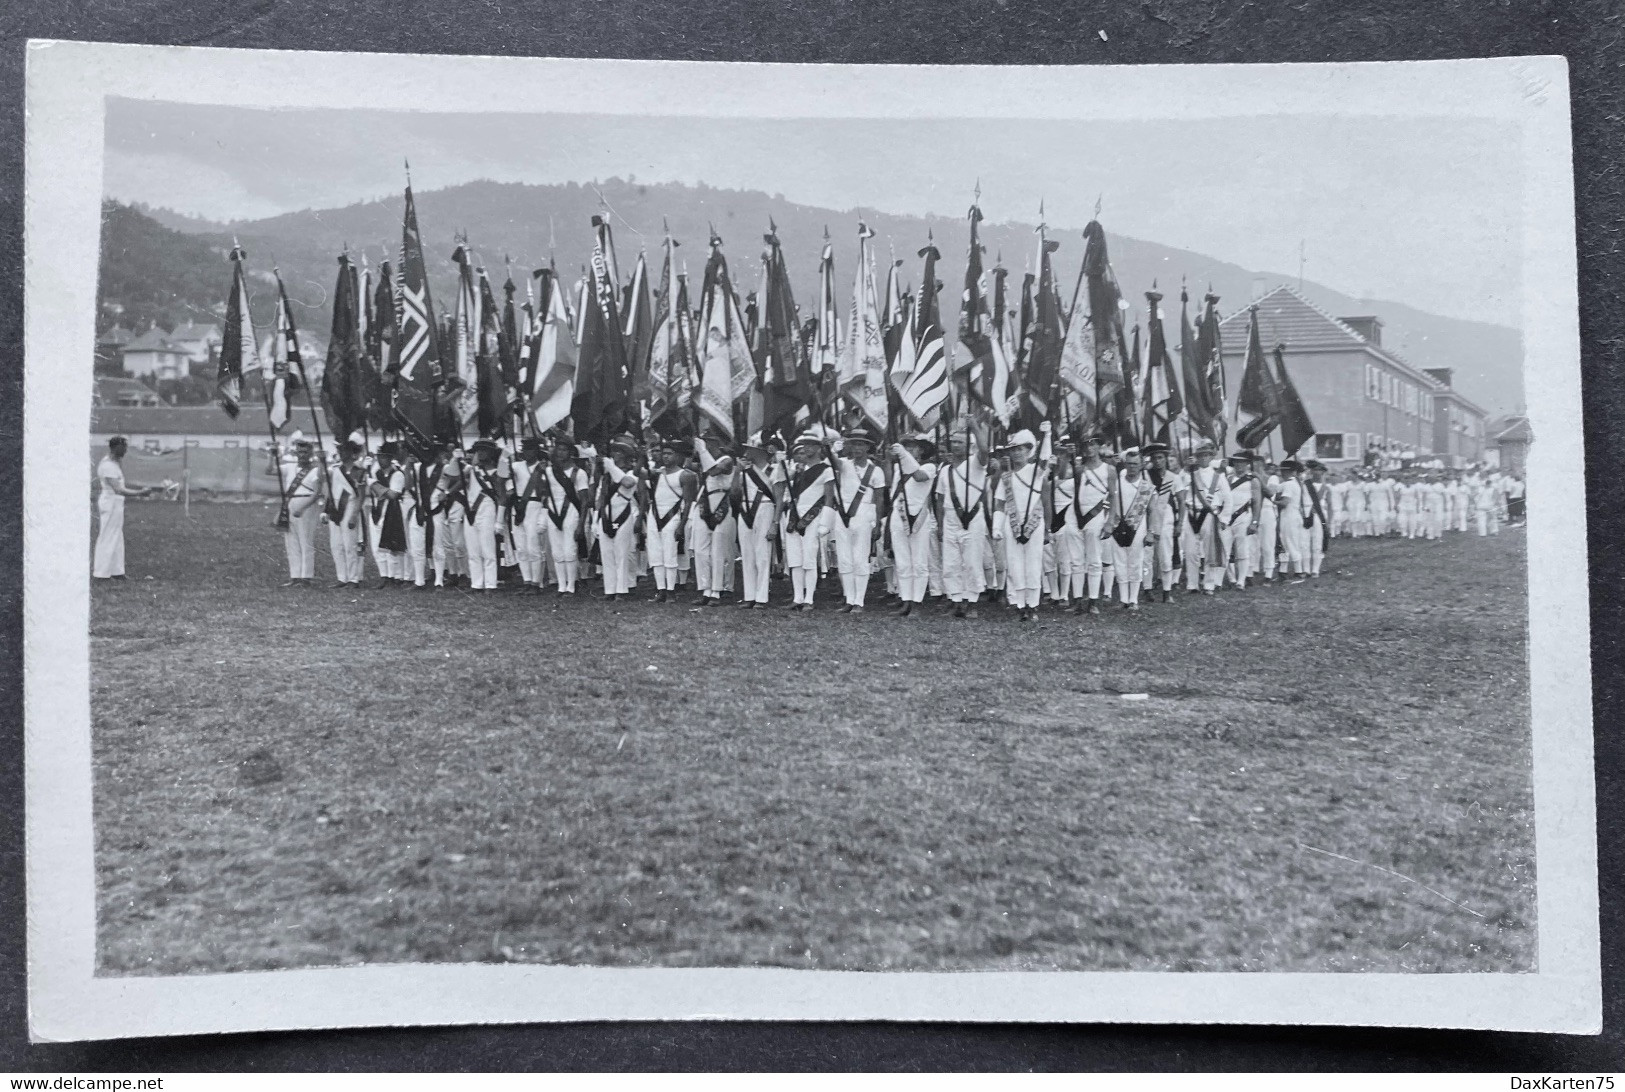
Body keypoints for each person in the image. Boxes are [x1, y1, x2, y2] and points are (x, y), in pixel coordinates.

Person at [935, 431, 992, 619]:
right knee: (951, 563)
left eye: (960, 442)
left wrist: (973, 425)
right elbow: (940, 499)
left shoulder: (976, 463)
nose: (955, 445)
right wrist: (940, 525)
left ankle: (972, 602)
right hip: (950, 519)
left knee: (972, 562)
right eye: (953, 442)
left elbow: (985, 450)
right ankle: (956, 601)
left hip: (973, 518)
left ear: (968, 445)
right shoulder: (944, 470)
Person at [827, 430, 884, 613]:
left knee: (860, 558)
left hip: (864, 513)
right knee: (844, 558)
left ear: (868, 447)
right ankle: (849, 599)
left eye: (861, 444)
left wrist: (877, 522)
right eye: (854, 444)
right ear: (849, 447)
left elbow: (880, 498)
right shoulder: (844, 464)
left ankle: (859, 601)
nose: (858, 448)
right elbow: (833, 462)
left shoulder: (876, 470)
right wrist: (828, 447)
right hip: (842, 514)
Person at [778, 431, 835, 611]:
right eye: (805, 444)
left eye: (811, 444)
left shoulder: (826, 470)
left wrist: (825, 523)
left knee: (809, 558)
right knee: (795, 559)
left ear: (819, 448)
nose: (807, 448)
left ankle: (809, 599)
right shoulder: (798, 470)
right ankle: (798, 597)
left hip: (813, 517)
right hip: (795, 516)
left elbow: (829, 498)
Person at [1001, 425, 1050, 622]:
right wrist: (997, 527)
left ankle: (1033, 604)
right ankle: (1020, 605)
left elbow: (1045, 459)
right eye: (1013, 449)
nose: (1016, 453)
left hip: (1033, 522)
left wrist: (1047, 435)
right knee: (1014, 565)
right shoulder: (1006, 476)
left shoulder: (1035, 471)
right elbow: (999, 502)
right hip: (1012, 522)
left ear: (1030, 451)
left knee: (1033, 563)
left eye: (1021, 449)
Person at [887, 434, 939, 617]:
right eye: (905, 447)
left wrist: (903, 455)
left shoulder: (929, 466)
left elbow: (919, 476)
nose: (908, 450)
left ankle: (917, 602)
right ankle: (906, 600)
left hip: (918, 517)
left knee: (918, 563)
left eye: (912, 447)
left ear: (921, 450)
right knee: (902, 562)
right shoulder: (899, 468)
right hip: (898, 515)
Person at [92, 436, 151, 580]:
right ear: (116, 447)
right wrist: (140, 493)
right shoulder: (107, 466)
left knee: (117, 536)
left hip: (116, 503)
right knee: (108, 536)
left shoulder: (115, 463)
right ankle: (101, 573)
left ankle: (117, 572)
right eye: (123, 447)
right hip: (110, 502)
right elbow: (118, 489)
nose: (125, 450)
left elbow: (121, 488)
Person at [538, 438, 591, 595]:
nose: (560, 453)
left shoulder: (579, 473)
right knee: (557, 551)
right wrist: (541, 473)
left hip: (571, 511)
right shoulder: (549, 471)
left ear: (571, 453)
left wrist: (581, 524)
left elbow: (584, 500)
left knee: (569, 550)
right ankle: (561, 585)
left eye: (564, 450)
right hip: (553, 512)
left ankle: (571, 585)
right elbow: (542, 491)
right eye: (558, 450)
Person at [646, 439, 696, 602]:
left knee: (670, 554)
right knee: (655, 554)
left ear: (679, 455)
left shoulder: (685, 475)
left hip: (672, 516)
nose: (665, 457)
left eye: (669, 453)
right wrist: (641, 456)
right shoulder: (657, 473)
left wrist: (681, 525)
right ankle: (661, 589)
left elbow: (688, 502)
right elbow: (639, 472)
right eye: (664, 453)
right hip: (654, 515)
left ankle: (671, 590)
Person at [692, 433, 738, 606]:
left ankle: (717, 591)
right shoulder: (704, 459)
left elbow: (713, 471)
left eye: (706, 442)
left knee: (718, 550)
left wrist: (702, 451)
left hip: (722, 502)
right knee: (701, 549)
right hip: (705, 501)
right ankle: (705, 589)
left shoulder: (727, 460)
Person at [732, 435, 777, 608]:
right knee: (747, 553)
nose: (747, 452)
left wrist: (775, 521)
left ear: (761, 452)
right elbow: (734, 492)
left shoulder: (774, 470)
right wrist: (737, 471)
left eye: (750, 449)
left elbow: (779, 497)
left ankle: (761, 597)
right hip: (745, 509)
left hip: (765, 508)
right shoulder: (744, 470)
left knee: (762, 554)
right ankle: (749, 596)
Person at [597, 435, 644, 602]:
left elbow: (628, 483)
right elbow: (601, 497)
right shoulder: (607, 475)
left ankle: (622, 590)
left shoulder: (632, 472)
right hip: (606, 515)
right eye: (614, 452)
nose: (614, 455)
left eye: (618, 452)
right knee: (607, 553)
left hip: (623, 514)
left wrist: (611, 467)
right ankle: (609, 589)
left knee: (621, 553)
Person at [457, 439, 508, 591]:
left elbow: (502, 497)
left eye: (484, 450)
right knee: (473, 550)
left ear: (492, 453)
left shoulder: (497, 473)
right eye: (478, 450)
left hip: (487, 510)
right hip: (471, 511)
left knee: (488, 550)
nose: (480, 453)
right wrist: (457, 458)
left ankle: (491, 584)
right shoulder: (471, 470)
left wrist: (499, 521)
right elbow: (454, 477)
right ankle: (476, 583)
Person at [1180, 441, 1229, 595]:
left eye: (1206, 455)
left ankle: (1209, 585)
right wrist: (1185, 468)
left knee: (1210, 551)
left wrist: (1224, 519)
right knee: (1190, 552)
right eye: (1200, 456)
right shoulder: (1189, 475)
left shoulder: (1218, 477)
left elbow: (1228, 498)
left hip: (1208, 513)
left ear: (1211, 457)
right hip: (1191, 514)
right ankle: (1192, 585)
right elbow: (1180, 485)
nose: (1203, 458)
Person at [1110, 448, 1153, 611]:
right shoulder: (1117, 484)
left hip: (1138, 527)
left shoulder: (1146, 487)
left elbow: (1151, 511)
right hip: (1118, 526)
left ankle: (1133, 599)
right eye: (1129, 464)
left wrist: (1150, 532)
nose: (1132, 467)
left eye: (1135, 464)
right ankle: (1123, 599)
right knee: (1119, 562)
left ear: (1141, 465)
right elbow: (1108, 503)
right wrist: (1108, 520)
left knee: (1135, 562)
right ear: (1124, 464)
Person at [322, 439, 366, 588]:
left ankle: (353, 579)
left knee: (350, 545)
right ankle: (342, 577)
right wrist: (325, 510)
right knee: (336, 545)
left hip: (350, 507)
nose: (341, 454)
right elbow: (330, 491)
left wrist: (354, 515)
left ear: (352, 453)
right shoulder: (334, 469)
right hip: (335, 508)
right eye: (340, 451)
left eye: (345, 451)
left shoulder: (359, 471)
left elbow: (361, 495)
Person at [282, 433, 323, 588]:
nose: (302, 455)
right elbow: (270, 470)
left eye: (306, 452)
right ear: (295, 452)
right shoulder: (289, 467)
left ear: (311, 453)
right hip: (290, 503)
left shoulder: (315, 470)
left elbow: (317, 492)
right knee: (291, 542)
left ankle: (306, 577)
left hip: (307, 506)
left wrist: (303, 507)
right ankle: (295, 576)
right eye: (300, 452)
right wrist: (273, 455)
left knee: (305, 541)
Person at [1142, 442, 1182, 602]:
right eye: (1154, 458)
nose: (1157, 461)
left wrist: (1180, 524)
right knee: (1147, 557)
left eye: (1160, 458)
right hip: (1147, 520)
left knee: (1166, 556)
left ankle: (1167, 591)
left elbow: (1182, 501)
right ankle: (1147, 589)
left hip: (1167, 519)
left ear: (1166, 459)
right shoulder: (1145, 475)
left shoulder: (1174, 478)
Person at [509, 437, 548, 593]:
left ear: (536, 451)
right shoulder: (516, 466)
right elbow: (503, 474)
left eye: (530, 449)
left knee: (533, 547)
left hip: (534, 505)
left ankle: (536, 582)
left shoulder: (543, 468)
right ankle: (526, 580)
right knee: (521, 547)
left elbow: (545, 492)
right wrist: (505, 456)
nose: (527, 452)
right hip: (518, 506)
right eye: (524, 449)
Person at [1221, 450, 1260, 589]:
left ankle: (1241, 581)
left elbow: (1257, 503)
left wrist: (1255, 522)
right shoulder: (1228, 479)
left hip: (1243, 517)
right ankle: (1231, 579)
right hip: (1227, 518)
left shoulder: (1253, 480)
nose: (1239, 465)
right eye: (1237, 462)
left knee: (1242, 550)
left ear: (1248, 464)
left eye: (1242, 462)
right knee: (1224, 551)